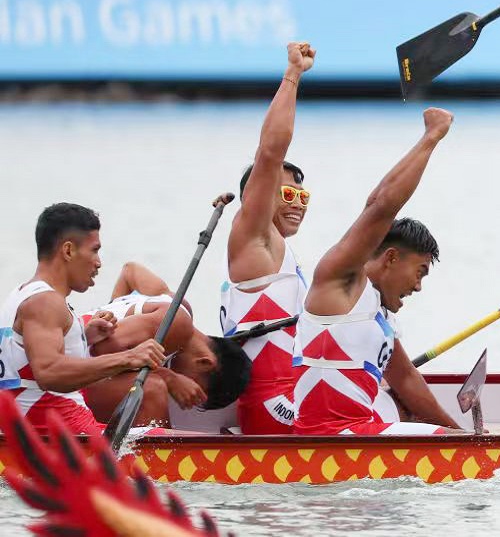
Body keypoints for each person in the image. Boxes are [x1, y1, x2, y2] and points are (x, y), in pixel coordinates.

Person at [294, 108, 462, 435]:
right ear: (391, 258)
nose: (418, 287)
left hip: (359, 431)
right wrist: (432, 136)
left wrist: (462, 435)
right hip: (331, 439)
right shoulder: (341, 280)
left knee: (417, 417)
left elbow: (407, 379)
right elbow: (380, 205)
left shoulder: (379, 312)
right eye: (420, 272)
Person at [0, 204, 164, 435]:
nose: (98, 262)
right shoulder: (46, 302)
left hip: (46, 428)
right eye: (94, 250)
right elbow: (48, 372)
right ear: (68, 251)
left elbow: (28, 361)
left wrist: (82, 336)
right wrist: (129, 357)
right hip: (65, 433)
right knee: (170, 441)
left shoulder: (22, 293)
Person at [221, 42, 314, 434]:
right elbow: (270, 152)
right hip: (274, 407)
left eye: (303, 197)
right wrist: (293, 74)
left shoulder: (276, 249)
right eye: (287, 194)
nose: (297, 204)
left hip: (292, 396)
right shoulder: (253, 236)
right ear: (257, 197)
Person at [81, 263, 252, 427]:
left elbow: (130, 272)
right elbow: (100, 349)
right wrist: (168, 377)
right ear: (205, 362)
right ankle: (162, 447)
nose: (180, 393)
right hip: (72, 373)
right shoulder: (178, 325)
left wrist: (113, 311)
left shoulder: (179, 306)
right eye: (191, 388)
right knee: (152, 388)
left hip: (77, 352)